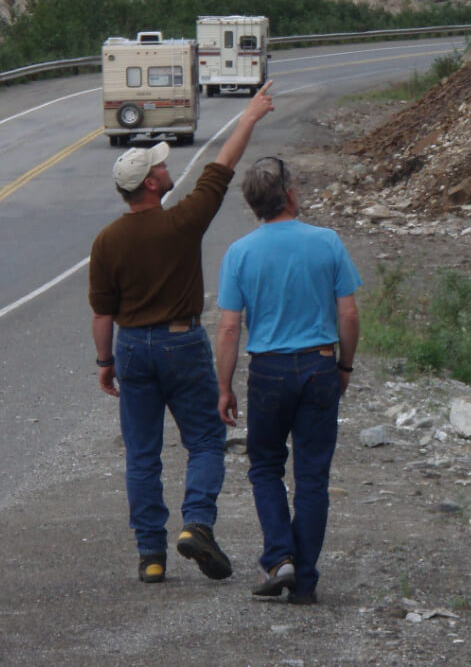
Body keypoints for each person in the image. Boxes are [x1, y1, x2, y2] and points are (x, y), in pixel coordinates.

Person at [88, 81, 275, 586]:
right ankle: (197, 523)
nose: (168, 168)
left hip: (131, 348)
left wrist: (105, 363)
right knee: (207, 441)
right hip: (181, 343)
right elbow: (223, 166)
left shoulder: (106, 241)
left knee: (143, 453)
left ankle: (150, 555)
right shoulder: (183, 222)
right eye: (161, 166)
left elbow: (102, 312)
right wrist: (250, 117)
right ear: (150, 184)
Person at [215, 155, 361, 605]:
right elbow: (349, 313)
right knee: (312, 477)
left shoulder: (240, 252)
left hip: (269, 371)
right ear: (291, 194)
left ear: (254, 205)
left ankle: (280, 558)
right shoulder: (328, 242)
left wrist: (224, 387)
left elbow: (228, 327)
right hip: (318, 365)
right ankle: (307, 580)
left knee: (265, 467)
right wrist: (344, 367)